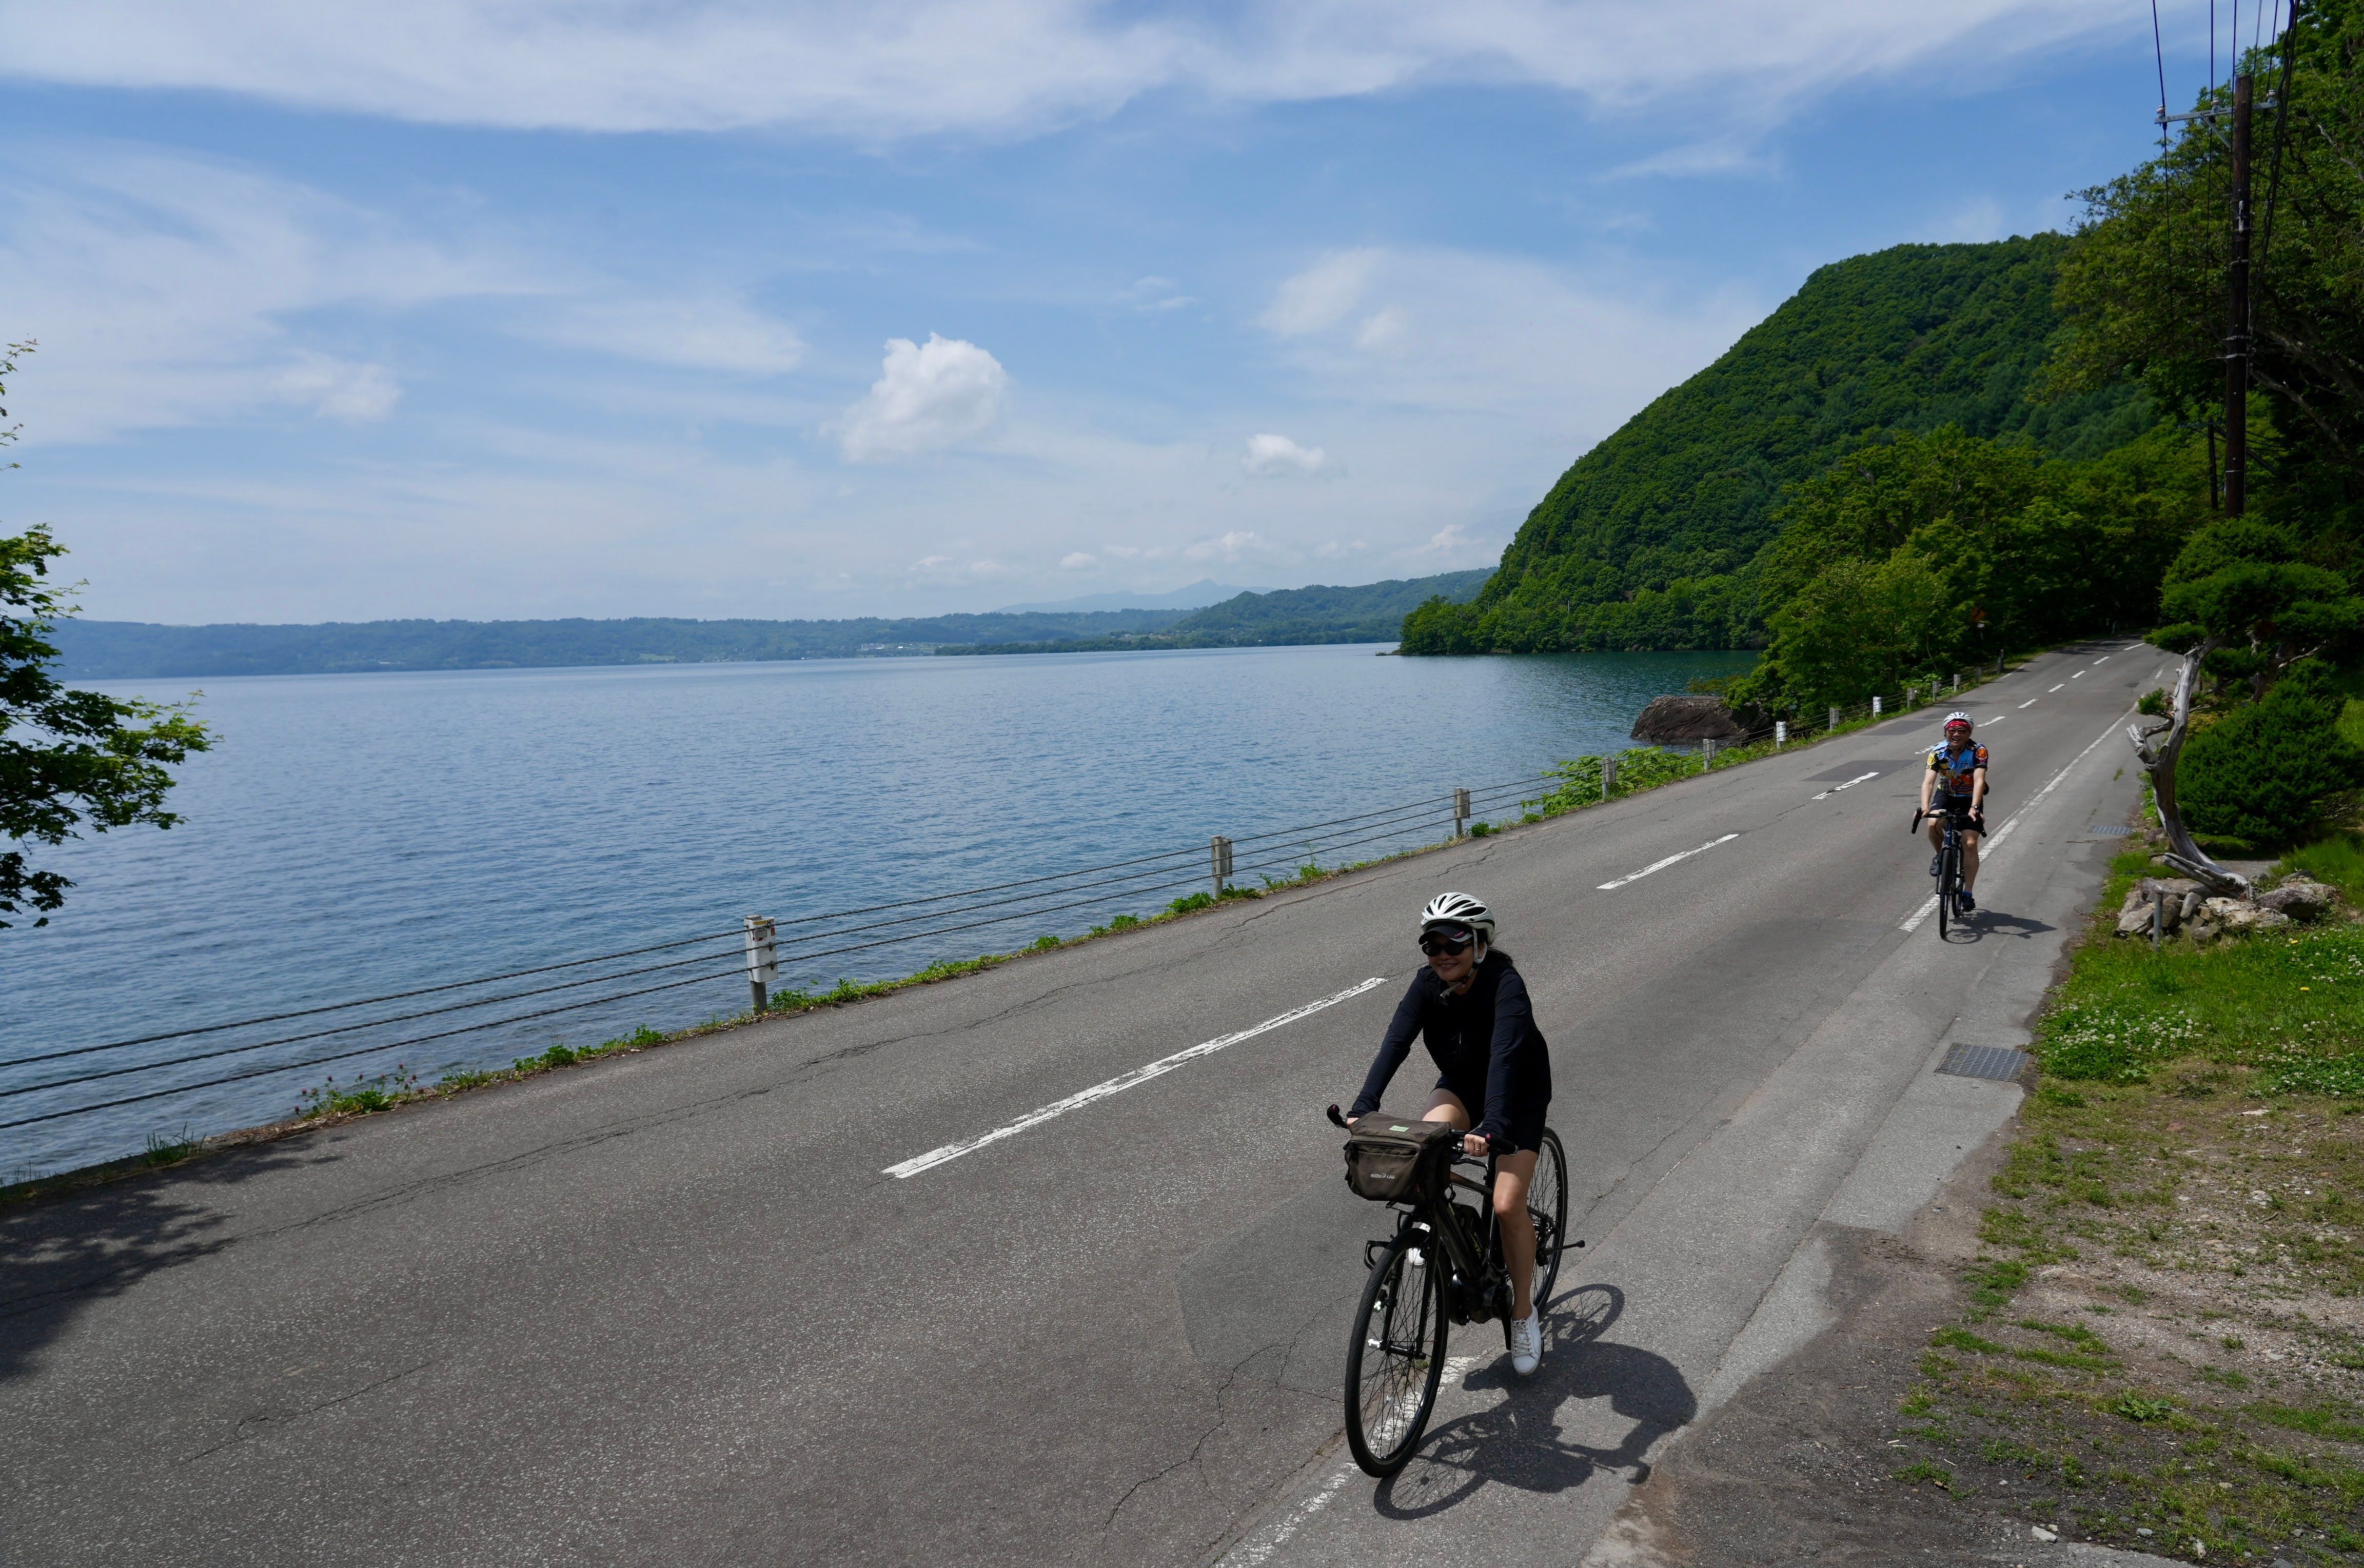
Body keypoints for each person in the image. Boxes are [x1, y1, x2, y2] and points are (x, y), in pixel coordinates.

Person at [1347, 891, 1554, 1375]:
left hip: (1518, 1095)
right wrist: (1364, 1106)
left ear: (1481, 943)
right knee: (1425, 1148)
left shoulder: (1507, 985)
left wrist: (1493, 1127)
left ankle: (1523, 1311)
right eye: (1431, 944)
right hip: (1463, 1086)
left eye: (1454, 942)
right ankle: (1445, 1241)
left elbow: (1504, 1059)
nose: (1442, 953)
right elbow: (1395, 1042)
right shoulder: (1426, 986)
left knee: (1506, 1203)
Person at [1919, 712, 1990, 910]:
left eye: (1961, 731)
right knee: (1933, 824)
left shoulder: (1978, 751)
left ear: (1969, 732)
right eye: (1952, 731)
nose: (1956, 734)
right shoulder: (1937, 752)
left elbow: (1979, 780)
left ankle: (1968, 892)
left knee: (1970, 842)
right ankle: (1939, 856)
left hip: (1970, 797)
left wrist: (1975, 807)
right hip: (1947, 795)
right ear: (1945, 732)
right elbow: (1929, 781)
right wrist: (1925, 806)